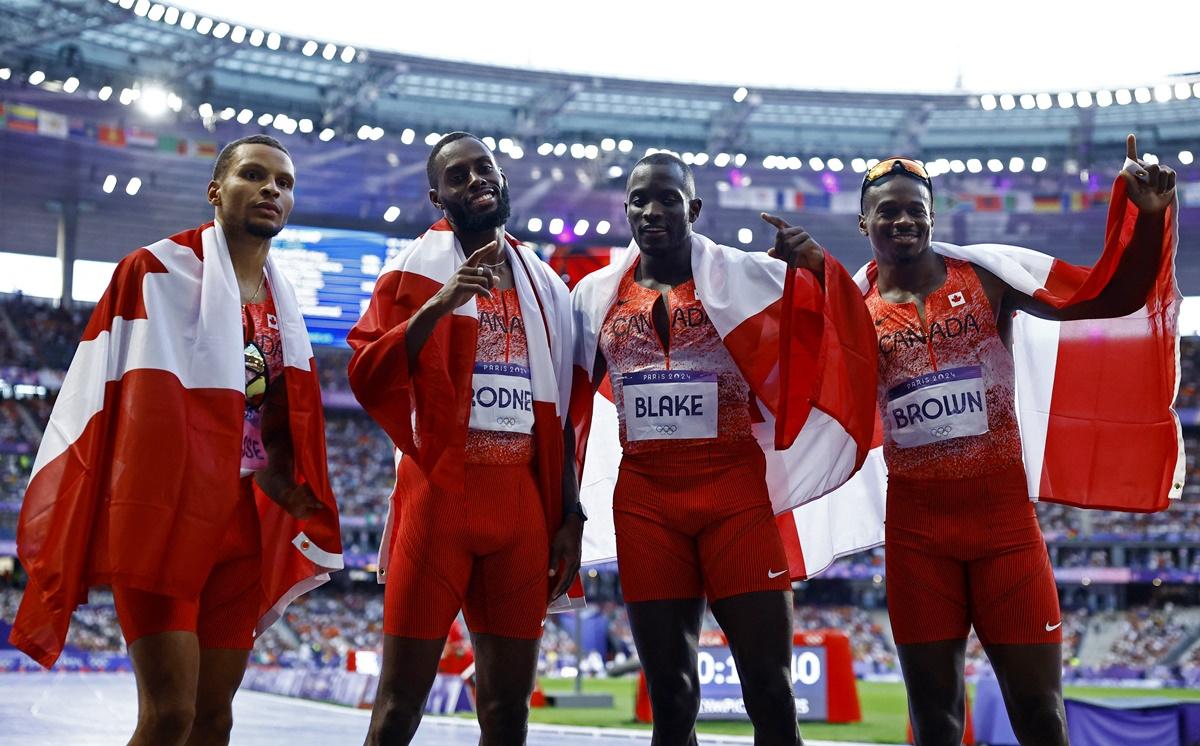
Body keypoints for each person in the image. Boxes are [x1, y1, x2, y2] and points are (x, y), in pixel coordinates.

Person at [10, 134, 343, 746]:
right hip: (162, 518)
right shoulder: (152, 272)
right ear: (216, 191)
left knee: (215, 719)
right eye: (254, 175)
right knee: (170, 717)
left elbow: (267, 418)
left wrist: (283, 478)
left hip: (240, 525)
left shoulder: (283, 303)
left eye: (285, 182)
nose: (272, 189)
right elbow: (99, 397)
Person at [850, 135, 1177, 746]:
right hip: (917, 535)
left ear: (932, 217)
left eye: (914, 208)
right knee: (937, 722)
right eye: (887, 210)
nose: (902, 220)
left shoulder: (987, 280)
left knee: (1041, 716)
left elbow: (1108, 298)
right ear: (863, 220)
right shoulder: (853, 310)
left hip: (1004, 529)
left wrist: (1150, 219)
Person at [570, 152, 878, 746]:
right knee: (671, 694)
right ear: (627, 209)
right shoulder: (595, 296)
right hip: (645, 502)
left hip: (732, 494)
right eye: (639, 199)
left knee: (768, 687)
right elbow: (566, 406)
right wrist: (566, 507)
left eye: (667, 198)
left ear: (694, 207)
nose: (652, 210)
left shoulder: (744, 276)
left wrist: (816, 265)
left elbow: (836, 322)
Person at [348, 132, 582, 746]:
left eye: (486, 169)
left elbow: (560, 415)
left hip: (522, 507)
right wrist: (441, 304)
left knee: (508, 714)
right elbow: (369, 371)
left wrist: (570, 513)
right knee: (398, 708)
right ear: (438, 197)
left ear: (503, 180)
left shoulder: (547, 285)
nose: (476, 180)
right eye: (459, 176)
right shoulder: (408, 276)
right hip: (439, 499)